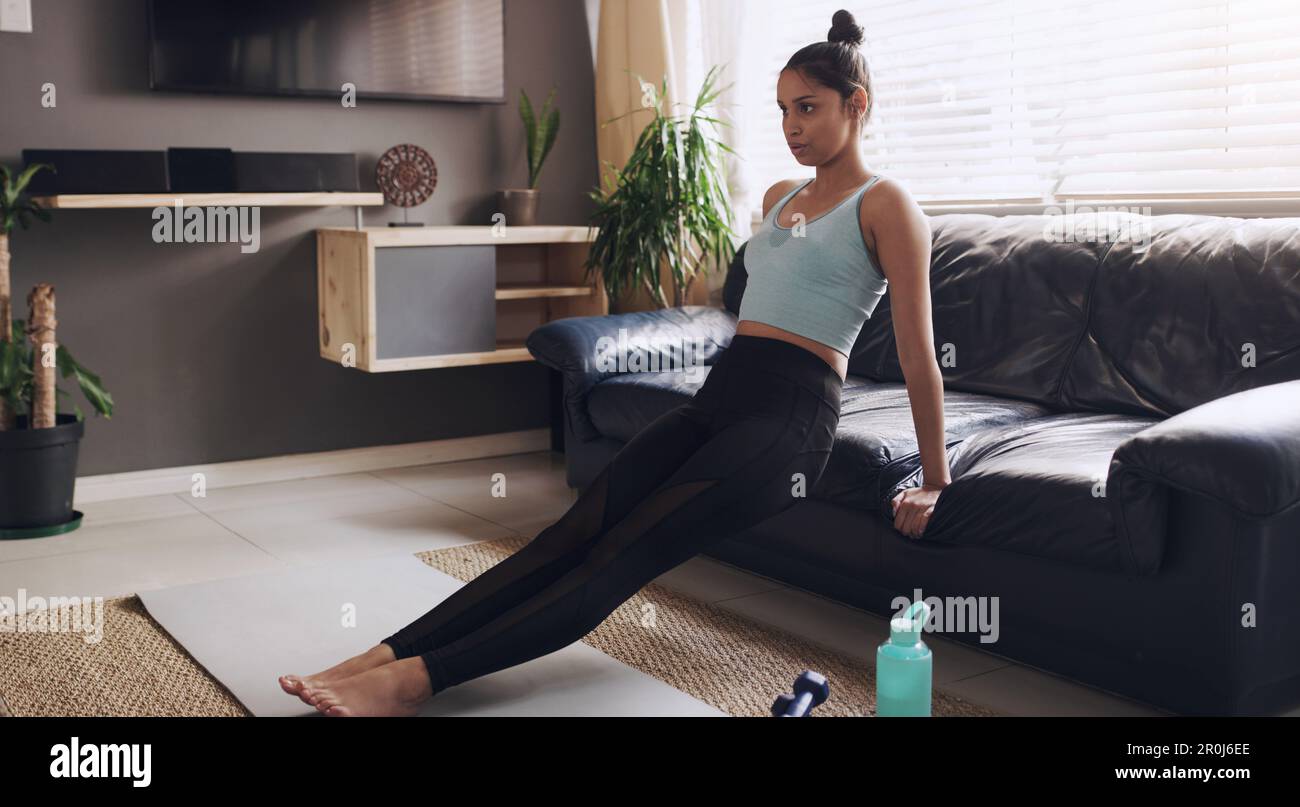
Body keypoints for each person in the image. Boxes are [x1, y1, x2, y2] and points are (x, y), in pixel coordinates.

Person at [279, 8, 951, 717]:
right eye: (783, 109)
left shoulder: (889, 205)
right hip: (721, 395)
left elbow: (918, 355)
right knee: (570, 533)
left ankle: (418, 679)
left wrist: (935, 480)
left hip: (790, 423)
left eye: (808, 108)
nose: (791, 125)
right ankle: (383, 653)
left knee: (620, 553)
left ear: (858, 106)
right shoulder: (778, 197)